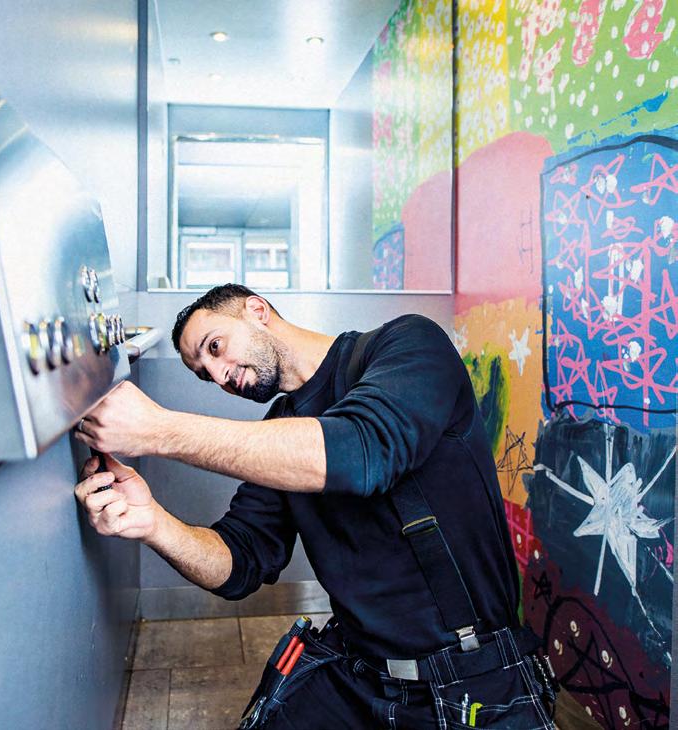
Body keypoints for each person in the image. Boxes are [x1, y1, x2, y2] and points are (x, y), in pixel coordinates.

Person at [73, 284, 555, 729]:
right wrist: (153, 522)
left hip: (469, 679)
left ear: (257, 310)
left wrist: (158, 430)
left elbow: (362, 451)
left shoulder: (408, 344)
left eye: (215, 347)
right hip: (357, 670)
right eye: (205, 375)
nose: (219, 377)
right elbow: (238, 561)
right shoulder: (281, 431)